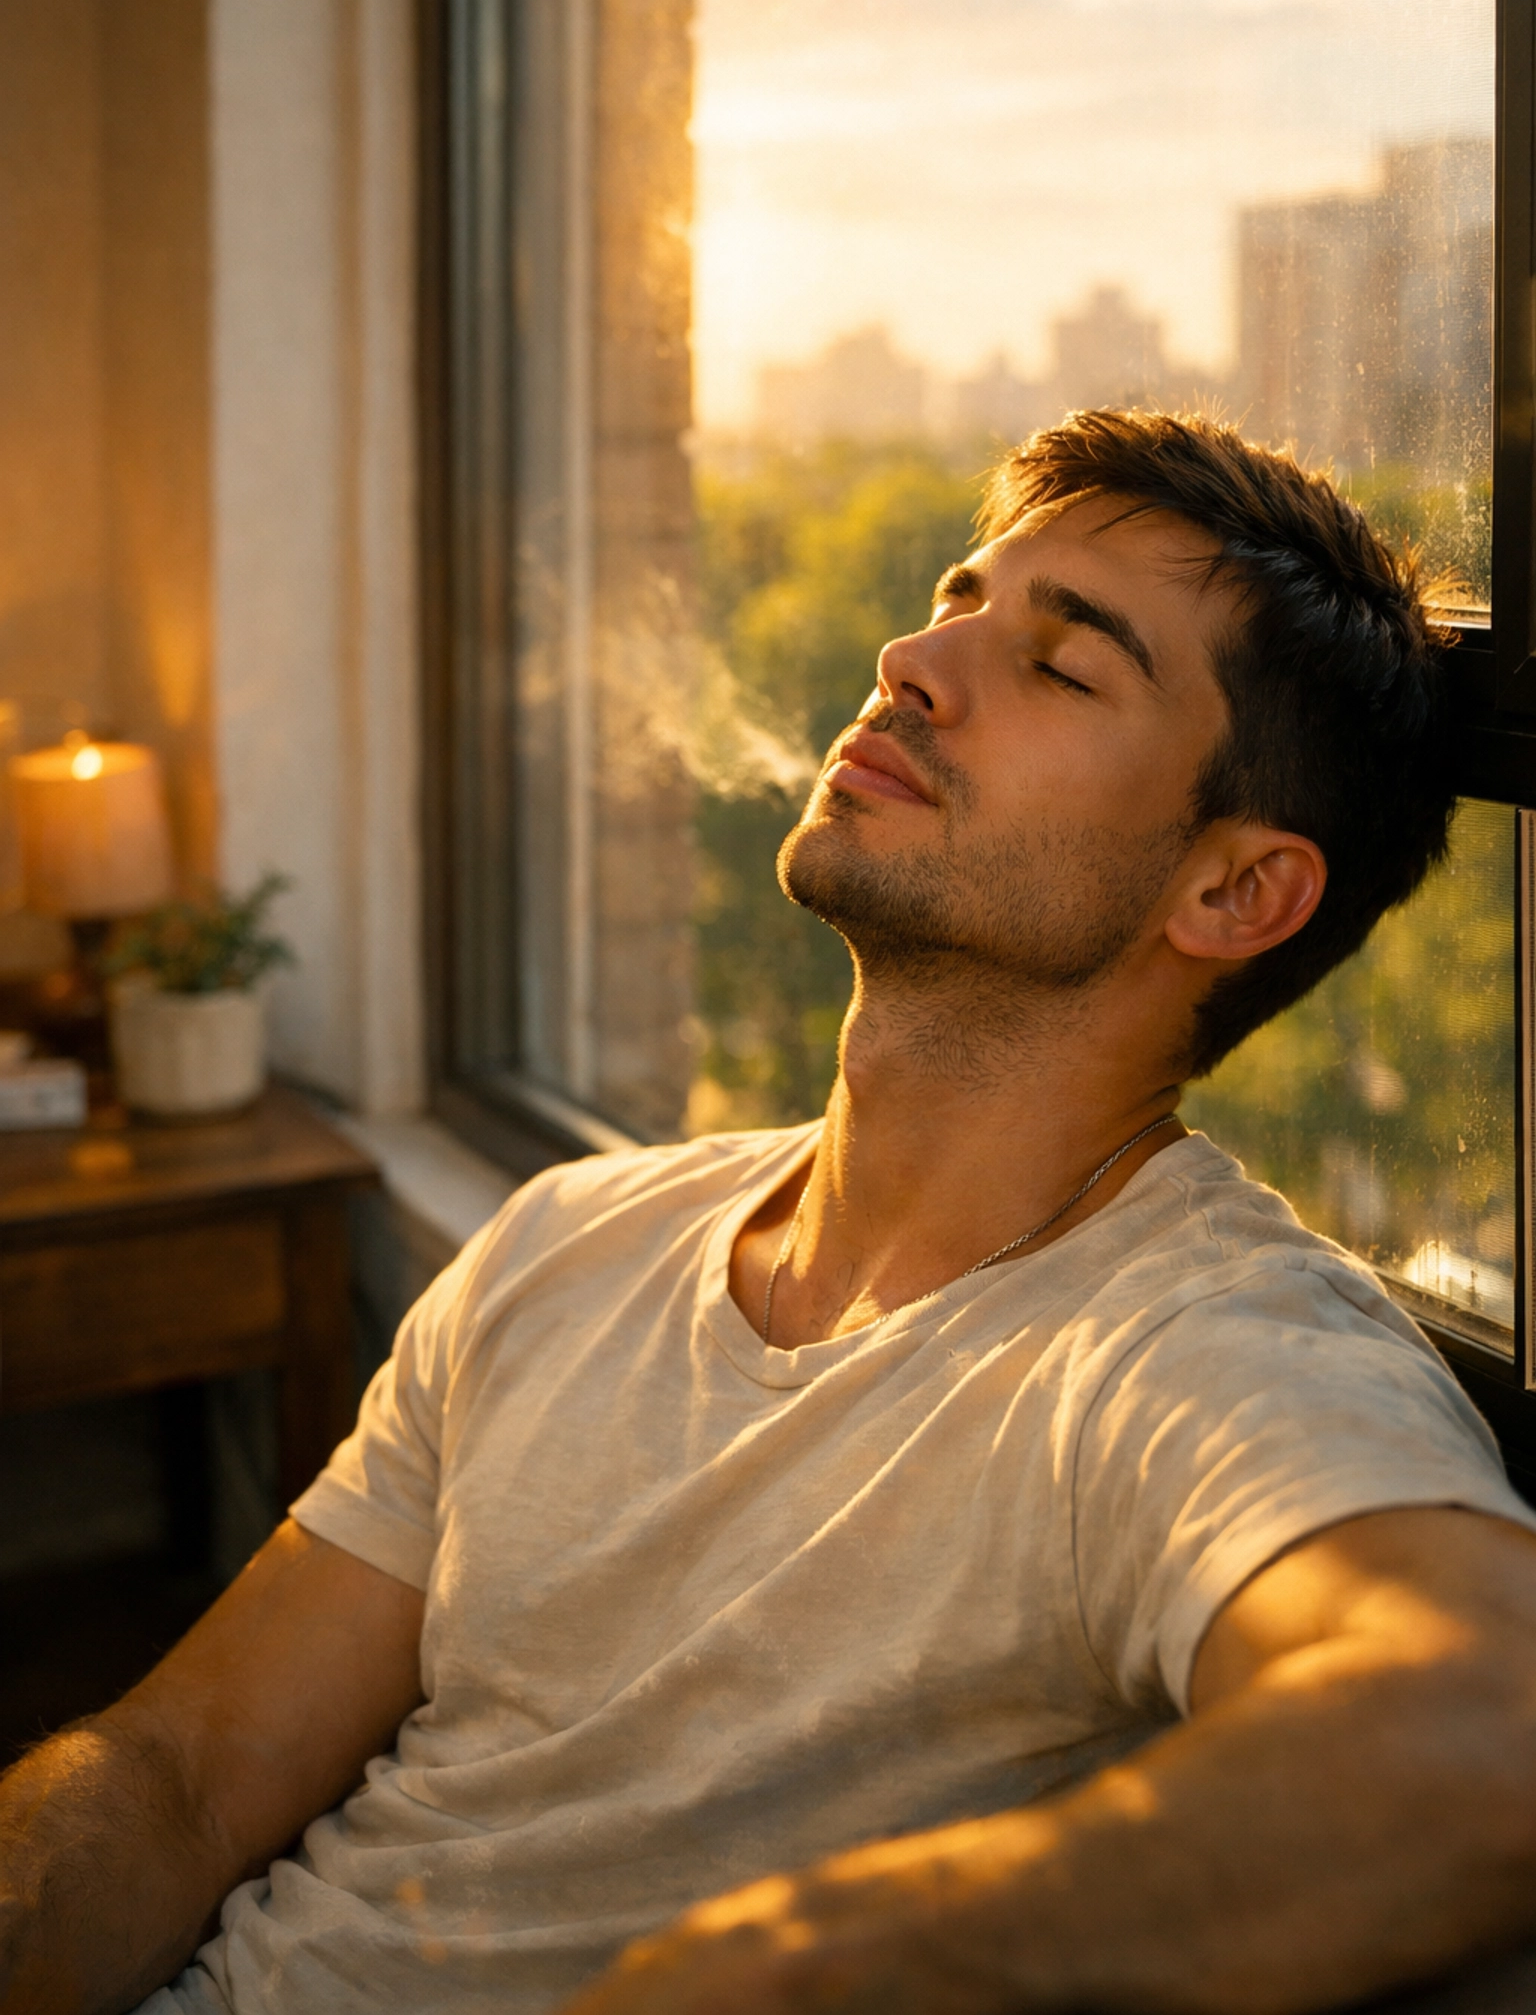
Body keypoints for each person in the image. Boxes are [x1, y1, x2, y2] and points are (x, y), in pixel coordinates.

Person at [5, 410, 1536, 2015]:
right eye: (958, 599)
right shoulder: (564, 1240)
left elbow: (1489, 1730)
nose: (909, 658)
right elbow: (178, 1772)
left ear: (1232, 891)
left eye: (1062, 664)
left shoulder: (1188, 1358)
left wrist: (799, 1969)